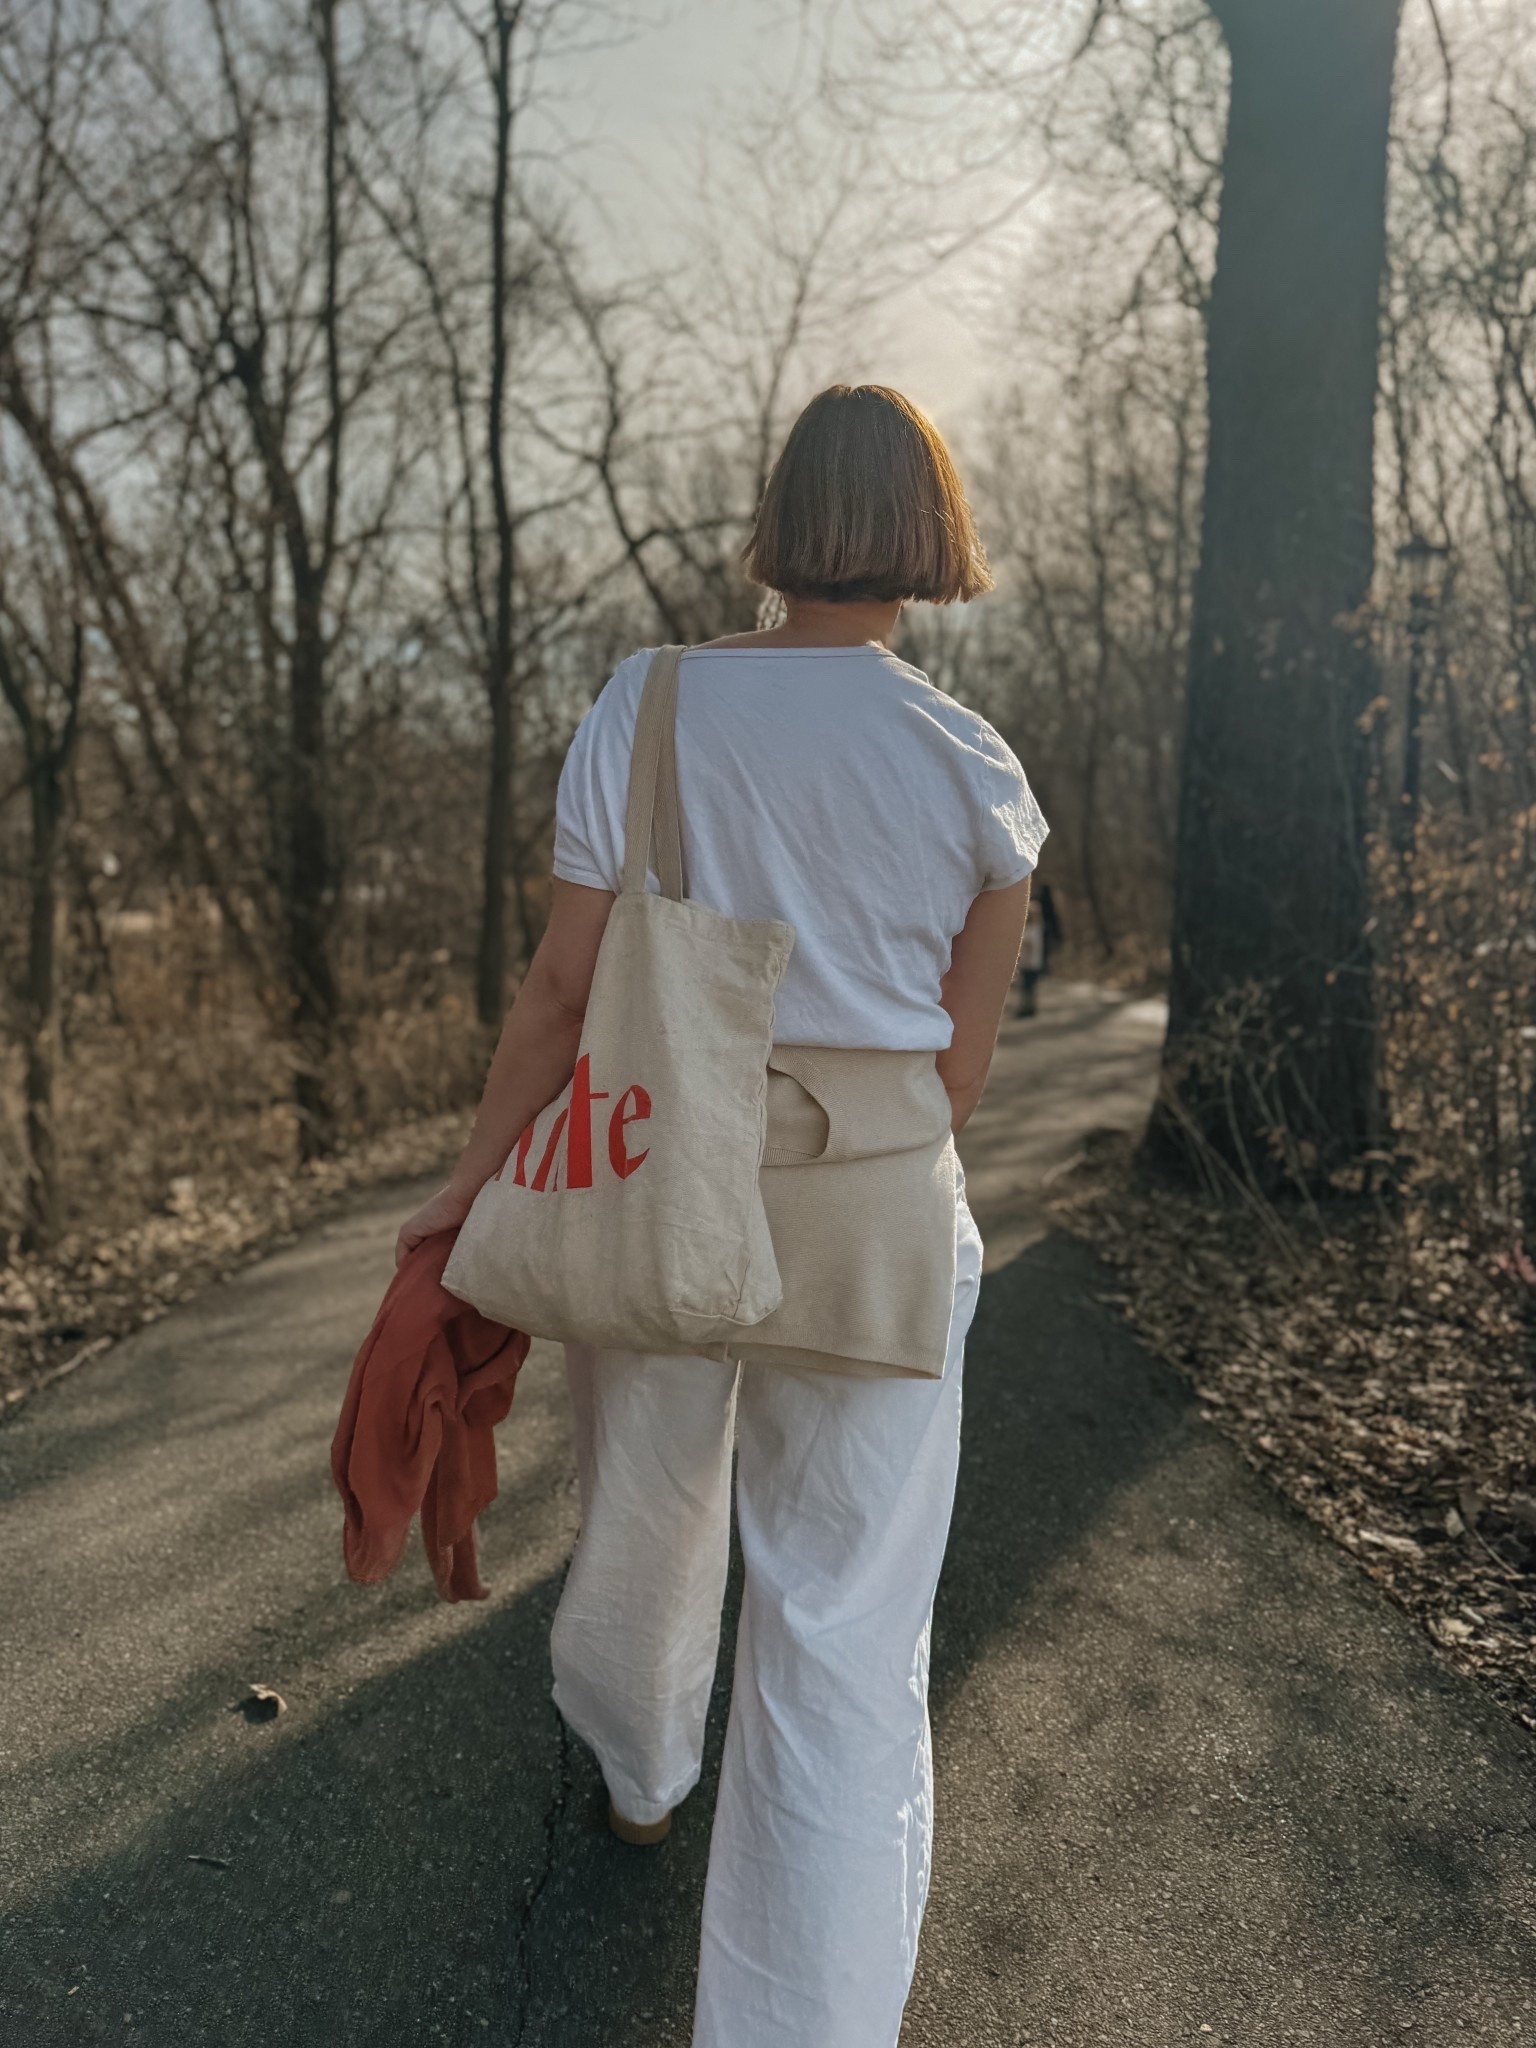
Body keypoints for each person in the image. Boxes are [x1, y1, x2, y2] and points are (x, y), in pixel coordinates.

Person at [396, 383, 1049, 2048]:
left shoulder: (652, 701)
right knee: (838, 1637)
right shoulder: (975, 768)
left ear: (778, 523)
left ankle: (639, 1773)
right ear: (929, 536)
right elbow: (959, 1075)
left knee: (647, 1509)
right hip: (881, 1222)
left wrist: (473, 1187)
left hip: (657, 1180)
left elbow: (560, 988)